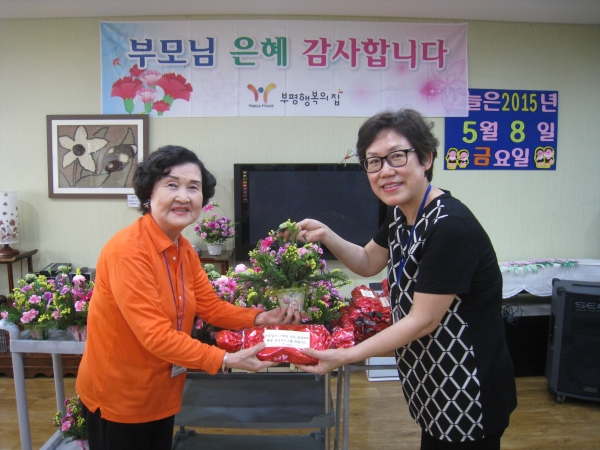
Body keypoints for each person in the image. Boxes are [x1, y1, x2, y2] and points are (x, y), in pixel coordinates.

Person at [294, 109, 517, 449]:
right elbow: (368, 261)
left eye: (397, 156)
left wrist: (346, 355)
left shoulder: (450, 227)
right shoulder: (402, 214)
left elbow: (422, 321)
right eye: (374, 162)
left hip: (467, 387)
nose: (385, 171)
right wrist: (326, 235)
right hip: (432, 380)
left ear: (426, 158)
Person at [76, 145, 301, 450]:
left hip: (161, 391)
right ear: (149, 193)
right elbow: (155, 335)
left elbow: (210, 306)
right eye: (172, 185)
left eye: (193, 187)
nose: (184, 196)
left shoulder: (183, 250)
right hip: (121, 398)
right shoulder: (128, 251)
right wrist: (225, 359)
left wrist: (260, 317)